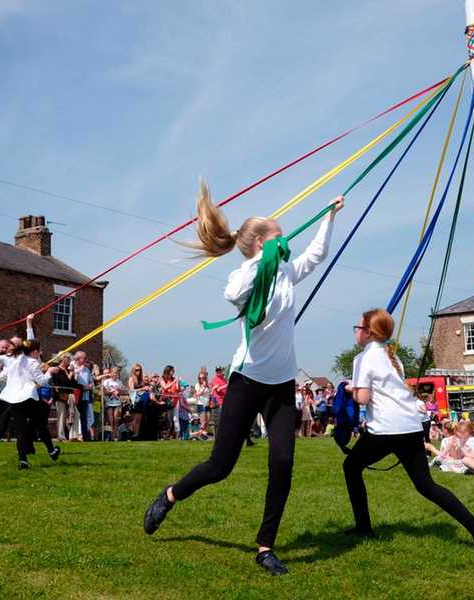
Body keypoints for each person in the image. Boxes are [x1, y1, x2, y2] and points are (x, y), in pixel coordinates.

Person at [144, 182, 344, 575]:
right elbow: (231, 294)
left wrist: (330, 215)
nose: (284, 244)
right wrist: (260, 262)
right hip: (247, 380)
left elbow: (316, 255)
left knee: (283, 462)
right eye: (277, 238)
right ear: (259, 245)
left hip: (283, 386)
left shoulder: (286, 271)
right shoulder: (247, 274)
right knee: (220, 465)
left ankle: (265, 547)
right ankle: (169, 496)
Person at [343, 308, 474, 551]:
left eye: (359, 328)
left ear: (369, 333)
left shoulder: (363, 358)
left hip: (384, 428)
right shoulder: (394, 357)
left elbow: (362, 398)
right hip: (411, 427)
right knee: (426, 485)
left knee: (350, 467)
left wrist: (349, 389)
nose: (356, 332)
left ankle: (363, 527)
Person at [0, 340, 60, 469]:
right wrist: (50, 372)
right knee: (41, 424)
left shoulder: (11, 360)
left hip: (13, 400)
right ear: (34, 352)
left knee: (21, 431)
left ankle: (23, 460)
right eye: (39, 352)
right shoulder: (33, 362)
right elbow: (42, 381)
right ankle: (51, 451)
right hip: (28, 399)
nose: (39, 354)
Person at [72, 351, 95, 441]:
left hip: (85, 396)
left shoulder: (87, 369)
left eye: (86, 358)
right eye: (84, 358)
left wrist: (89, 386)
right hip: (76, 395)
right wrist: (82, 387)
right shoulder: (72, 366)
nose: (86, 360)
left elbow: (91, 382)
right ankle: (75, 435)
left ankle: (85, 436)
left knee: (84, 417)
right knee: (74, 416)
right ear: (78, 358)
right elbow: (73, 380)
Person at [103, 367, 123, 441]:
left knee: (116, 419)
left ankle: (115, 436)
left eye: (117, 373)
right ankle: (112, 437)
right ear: (111, 373)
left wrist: (118, 392)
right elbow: (104, 392)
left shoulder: (119, 382)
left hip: (117, 402)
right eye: (114, 372)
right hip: (109, 402)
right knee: (111, 420)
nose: (115, 374)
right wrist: (112, 392)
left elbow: (120, 392)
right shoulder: (107, 382)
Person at [210, 366, 227, 436]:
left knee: (223, 419)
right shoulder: (215, 379)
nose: (218, 372)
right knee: (218, 420)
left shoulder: (224, 379)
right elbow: (218, 390)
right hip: (217, 402)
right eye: (217, 371)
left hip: (224, 401)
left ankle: (222, 435)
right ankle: (217, 436)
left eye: (219, 370)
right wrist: (226, 385)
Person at [193, 371, 211, 435]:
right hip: (200, 404)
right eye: (200, 378)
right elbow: (199, 393)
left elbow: (210, 393)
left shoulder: (208, 385)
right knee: (203, 421)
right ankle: (200, 433)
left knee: (208, 419)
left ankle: (200, 433)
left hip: (206, 404)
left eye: (203, 378)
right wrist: (203, 386)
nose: (201, 379)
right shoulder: (197, 385)